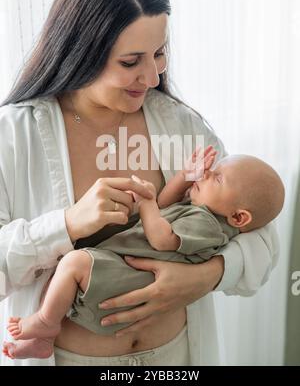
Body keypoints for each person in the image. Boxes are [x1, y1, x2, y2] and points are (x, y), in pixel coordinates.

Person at [0, 0, 279, 367]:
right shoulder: (14, 134)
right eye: (131, 62)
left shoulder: (179, 124)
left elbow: (260, 230)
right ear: (82, 53)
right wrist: (67, 224)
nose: (151, 78)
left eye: (159, 53)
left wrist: (205, 276)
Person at [3, 148, 285, 360]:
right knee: (65, 270)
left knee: (74, 262)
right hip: (89, 339)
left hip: (131, 278)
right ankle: (44, 338)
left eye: (218, 178)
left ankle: (46, 324)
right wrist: (183, 179)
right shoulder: (202, 209)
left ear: (238, 217)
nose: (207, 173)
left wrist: (147, 202)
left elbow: (162, 238)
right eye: (128, 64)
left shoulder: (209, 225)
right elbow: (166, 205)